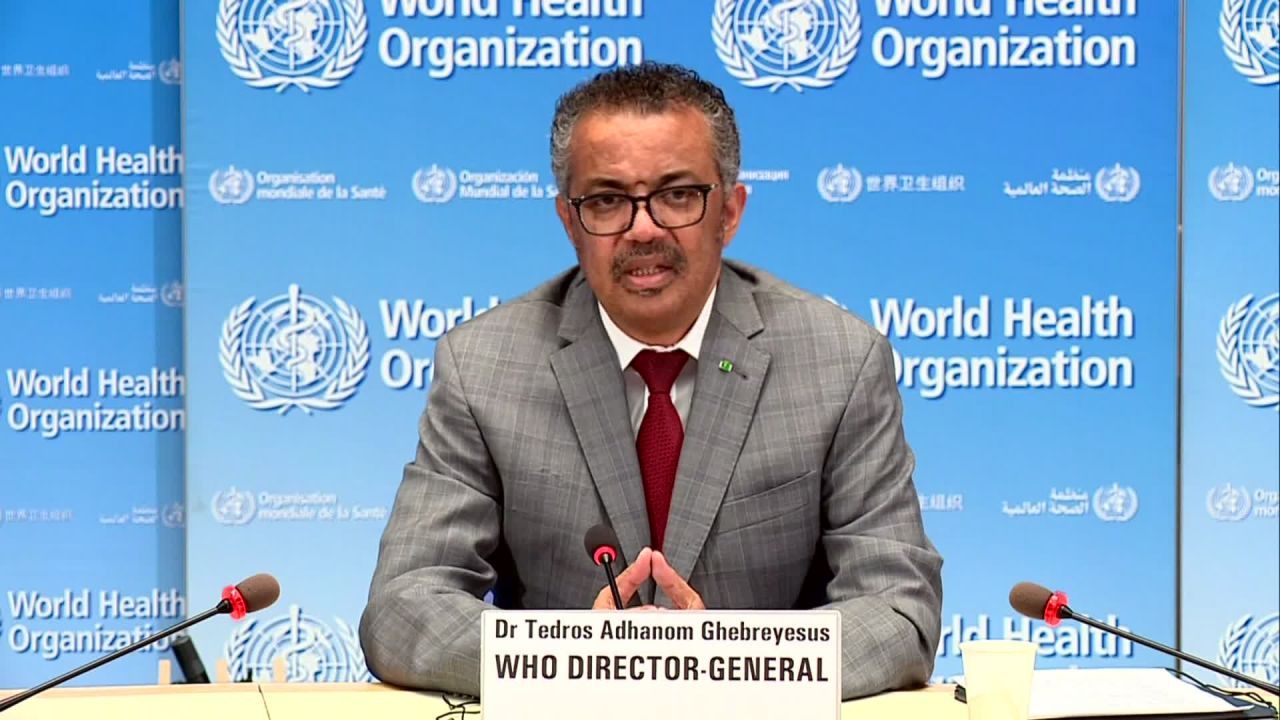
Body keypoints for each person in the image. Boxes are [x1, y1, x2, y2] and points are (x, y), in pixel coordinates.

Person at [359, 62, 943, 700]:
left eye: (677, 195)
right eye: (607, 200)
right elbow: (404, 606)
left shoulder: (838, 361)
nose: (643, 228)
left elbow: (897, 609)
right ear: (568, 219)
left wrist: (717, 663)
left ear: (731, 211)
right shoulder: (485, 365)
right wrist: (581, 661)